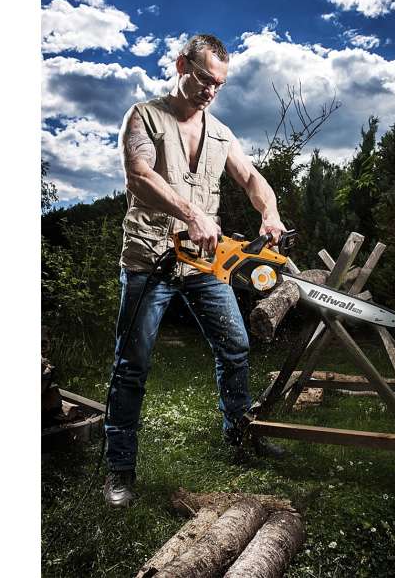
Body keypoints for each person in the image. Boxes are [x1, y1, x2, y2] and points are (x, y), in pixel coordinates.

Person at [103, 34, 286, 508]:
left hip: (203, 263)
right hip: (151, 258)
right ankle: (119, 469)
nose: (211, 90)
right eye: (204, 78)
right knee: (132, 364)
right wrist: (192, 214)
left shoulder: (221, 134)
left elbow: (252, 178)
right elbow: (139, 175)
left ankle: (240, 438)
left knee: (236, 346)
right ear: (181, 64)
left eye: (219, 84)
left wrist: (269, 212)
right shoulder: (145, 116)